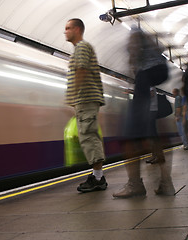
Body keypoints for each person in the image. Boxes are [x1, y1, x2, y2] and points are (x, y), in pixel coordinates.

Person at [113, 27, 175, 198]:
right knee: (152, 134)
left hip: (146, 76)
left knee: (129, 135)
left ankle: (135, 185)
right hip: (156, 77)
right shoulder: (151, 43)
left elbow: (134, 50)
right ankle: (166, 183)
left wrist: (133, 67)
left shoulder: (134, 33)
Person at [64, 18, 107, 193]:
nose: (65, 31)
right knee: (87, 136)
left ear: (78, 29)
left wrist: (73, 96)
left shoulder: (81, 47)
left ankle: (98, 179)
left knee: (89, 137)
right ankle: (97, 176)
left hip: (86, 99)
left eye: (68, 28)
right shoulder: (79, 48)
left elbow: (81, 70)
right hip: (85, 100)